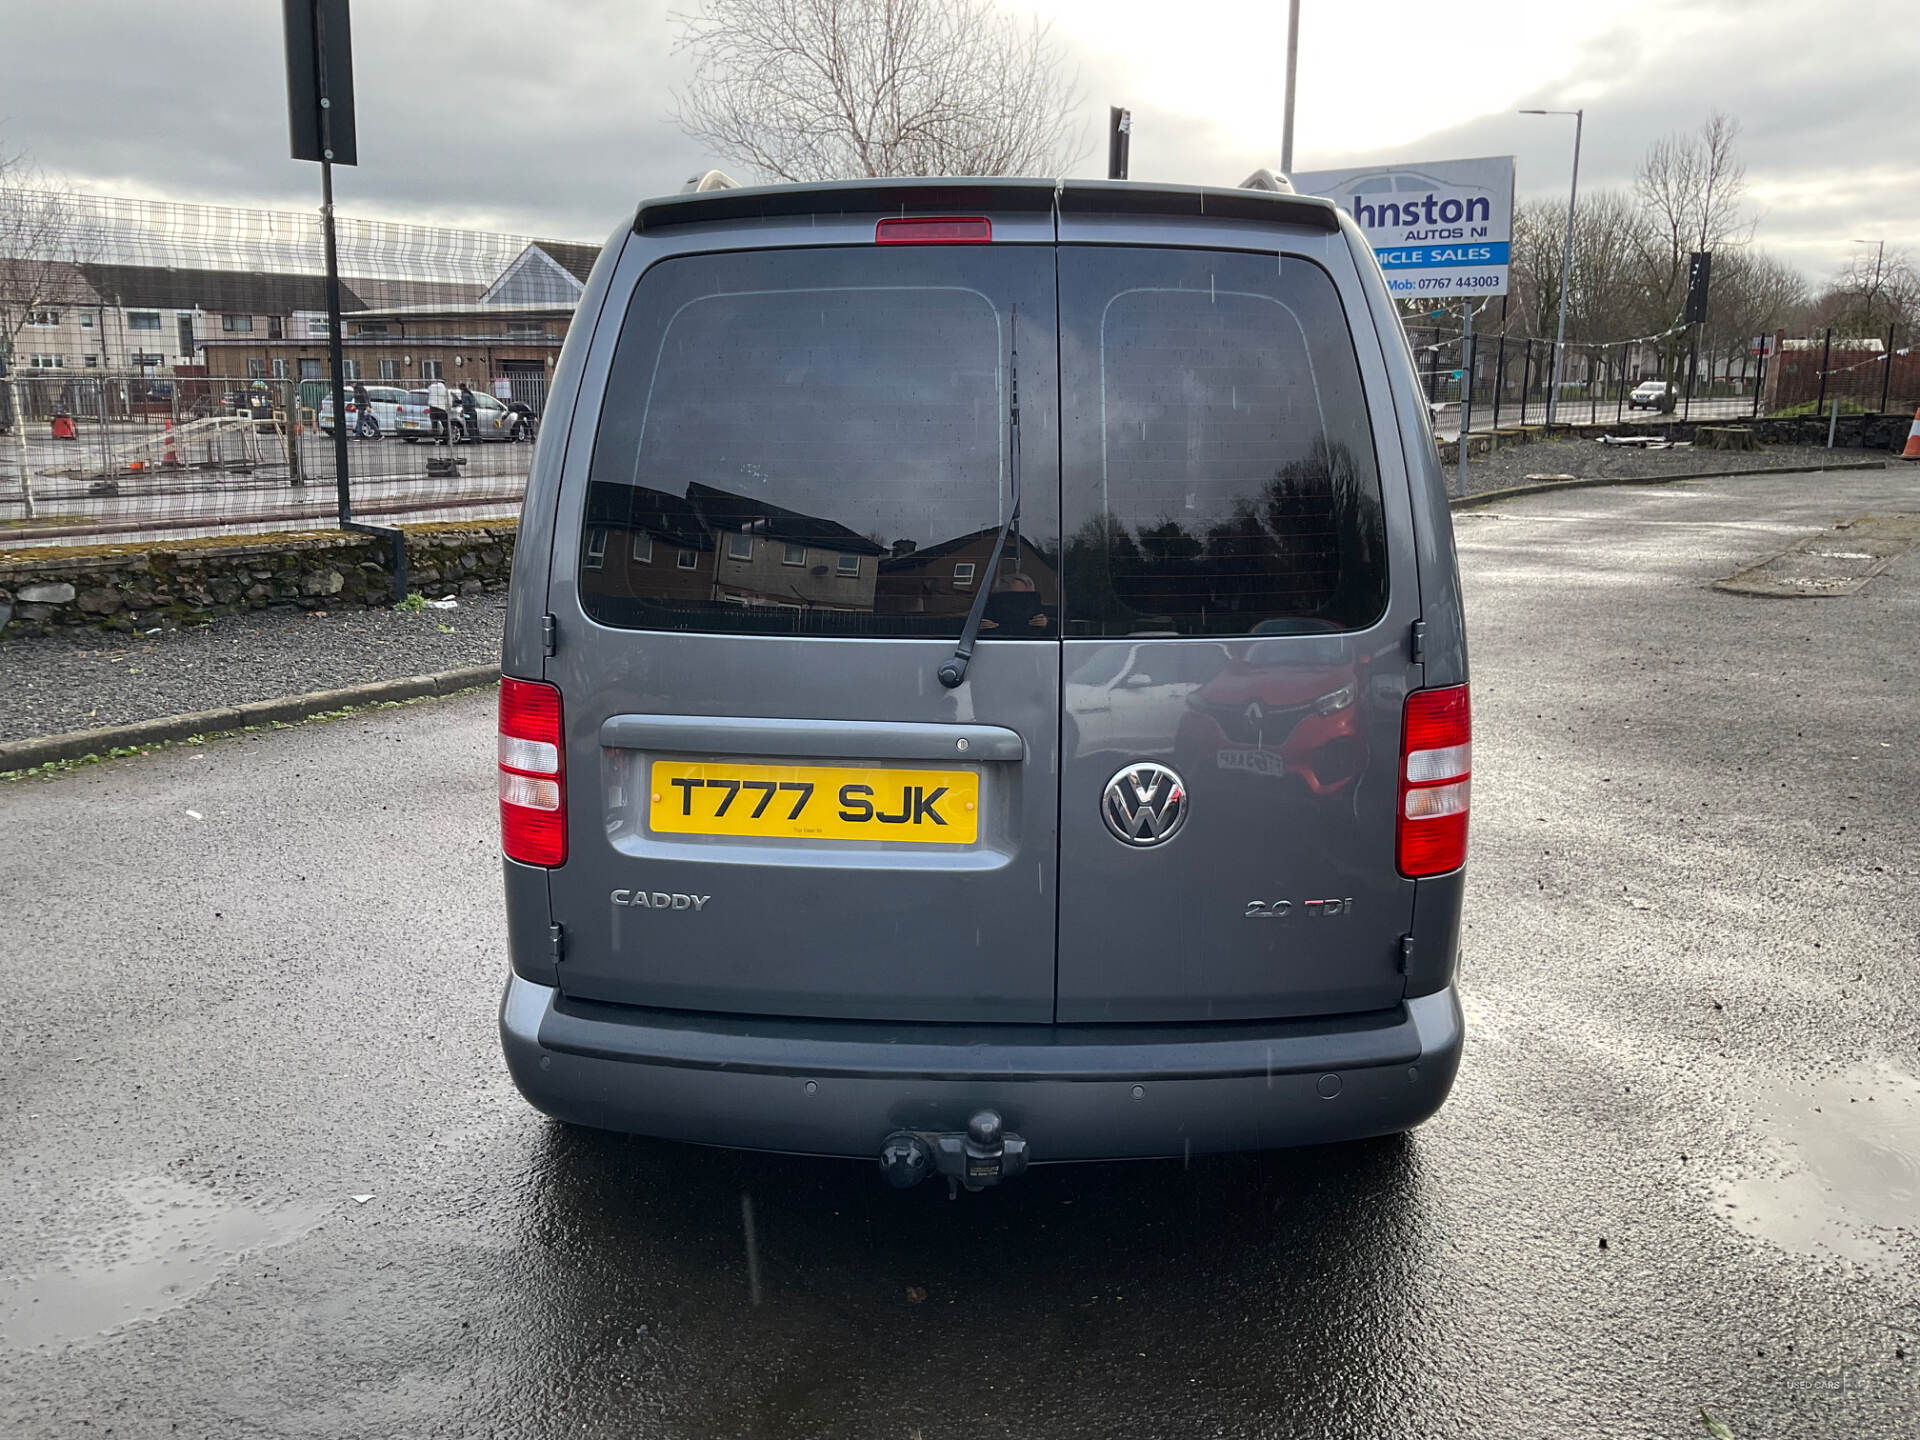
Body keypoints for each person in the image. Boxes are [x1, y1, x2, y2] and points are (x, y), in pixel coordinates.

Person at [978, 570, 1050, 631]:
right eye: (1016, 597)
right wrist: (978, 628)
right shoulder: (982, 612)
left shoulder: (1040, 613)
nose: (1023, 602)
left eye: (1029, 597)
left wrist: (1045, 624)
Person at [427, 376, 450, 445]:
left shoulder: (431, 387)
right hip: (441, 408)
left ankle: (436, 440)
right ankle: (446, 439)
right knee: (445, 425)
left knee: (434, 425)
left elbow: (428, 390)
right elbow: (448, 400)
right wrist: (448, 408)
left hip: (432, 408)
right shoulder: (445, 390)